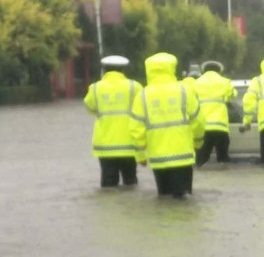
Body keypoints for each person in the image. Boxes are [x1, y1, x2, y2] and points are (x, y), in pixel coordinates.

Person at [129, 53, 205, 199]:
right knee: (182, 200)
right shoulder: (185, 91)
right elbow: (199, 122)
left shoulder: (142, 95)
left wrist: (140, 156)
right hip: (184, 156)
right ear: (172, 68)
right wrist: (197, 143)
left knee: (164, 198)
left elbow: (135, 129)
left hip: (158, 159)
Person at [83, 55, 143, 187]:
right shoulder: (135, 87)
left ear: (104, 70)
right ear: (123, 70)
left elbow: (90, 108)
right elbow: (143, 111)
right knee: (130, 182)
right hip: (129, 146)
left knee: (108, 186)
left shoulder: (95, 88)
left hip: (105, 147)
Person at [194, 61, 237, 165]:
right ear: (219, 71)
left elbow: (191, 103)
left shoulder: (195, 83)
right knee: (223, 160)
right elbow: (233, 95)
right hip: (220, 128)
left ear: (203, 71)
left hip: (203, 129)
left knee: (200, 161)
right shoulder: (225, 82)